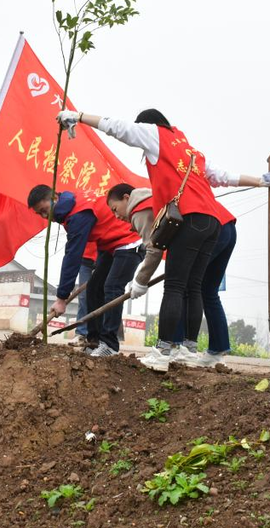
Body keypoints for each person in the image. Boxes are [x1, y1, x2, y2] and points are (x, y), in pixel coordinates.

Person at [58, 108, 225, 372]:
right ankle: (188, 351)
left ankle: (161, 353)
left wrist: (78, 117)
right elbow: (221, 177)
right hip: (212, 223)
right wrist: (262, 182)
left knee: (174, 286)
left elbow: (118, 128)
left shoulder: (155, 134)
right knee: (192, 288)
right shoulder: (189, 149)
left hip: (190, 221)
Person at [108, 158, 270, 367]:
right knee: (204, 290)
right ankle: (212, 349)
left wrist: (140, 281)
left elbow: (153, 250)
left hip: (202, 227)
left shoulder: (139, 209)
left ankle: (174, 347)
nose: (116, 216)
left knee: (180, 285)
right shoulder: (154, 197)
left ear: (126, 198)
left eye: (115, 209)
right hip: (224, 226)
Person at [27, 184, 142, 357]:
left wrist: (61, 297)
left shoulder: (79, 213)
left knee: (112, 288)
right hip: (110, 246)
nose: (45, 217)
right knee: (94, 288)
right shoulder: (71, 203)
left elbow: (73, 256)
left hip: (129, 242)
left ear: (54, 199)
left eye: (44, 210)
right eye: (40, 214)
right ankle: (94, 341)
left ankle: (109, 345)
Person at [69, 242, 97, 347]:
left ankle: (99, 337)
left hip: (105, 255)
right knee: (83, 297)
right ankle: (81, 333)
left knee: (100, 297)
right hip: (86, 257)